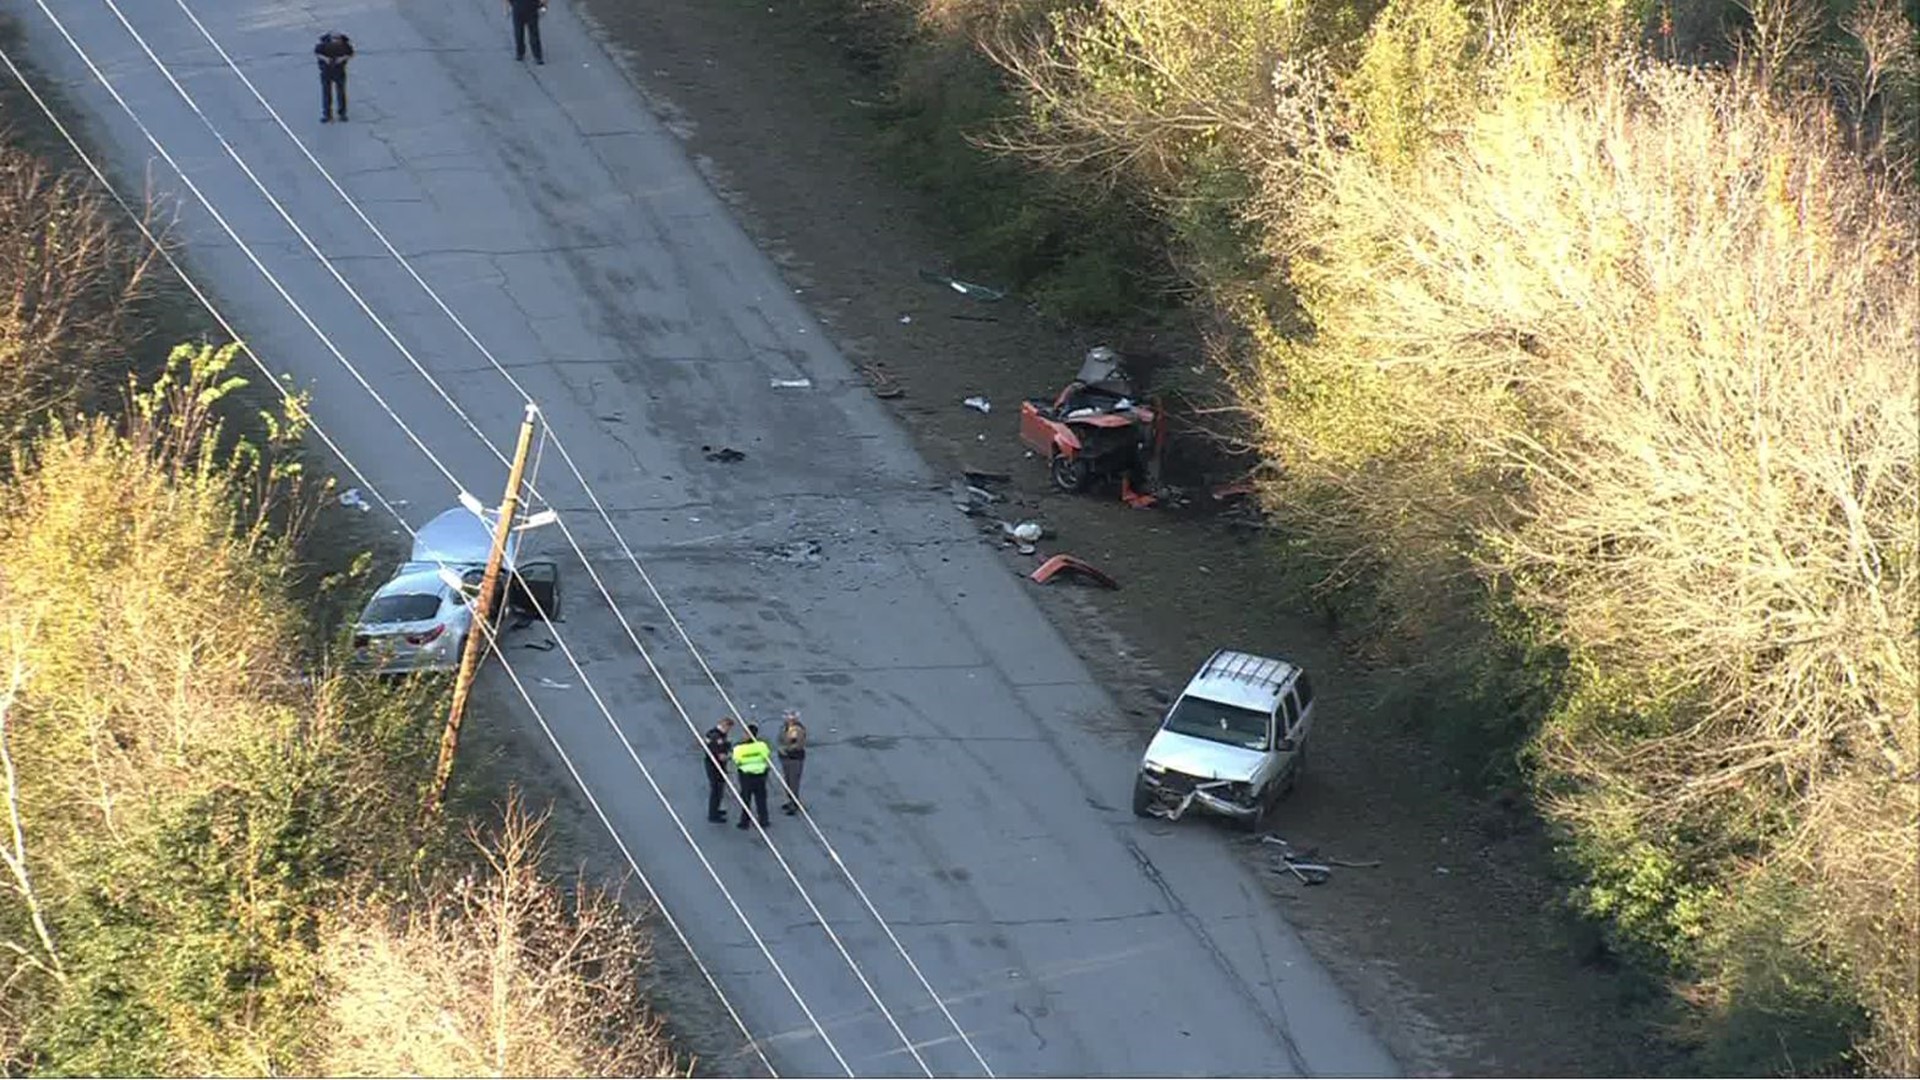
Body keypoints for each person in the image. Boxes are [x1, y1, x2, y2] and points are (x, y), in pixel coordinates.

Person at [732, 723, 772, 829]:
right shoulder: (762, 745)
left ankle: (745, 822)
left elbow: (737, 760)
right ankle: (764, 820)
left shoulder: (739, 748)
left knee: (746, 800)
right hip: (760, 775)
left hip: (746, 777)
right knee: (761, 799)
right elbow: (766, 755)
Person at [702, 717, 736, 823]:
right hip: (715, 766)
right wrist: (733, 756)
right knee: (716, 790)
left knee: (718, 790)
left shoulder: (712, 733)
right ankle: (713, 815)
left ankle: (715, 810)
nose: (729, 731)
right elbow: (721, 756)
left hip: (713, 764)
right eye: (729, 728)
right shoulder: (717, 738)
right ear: (725, 726)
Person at [314, 31, 353, 123]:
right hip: (326, 71)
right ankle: (327, 115)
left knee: (341, 93)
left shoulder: (345, 45)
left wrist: (342, 58)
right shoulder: (323, 45)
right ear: (330, 39)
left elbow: (350, 53)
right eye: (334, 39)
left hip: (339, 71)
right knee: (326, 93)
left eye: (338, 40)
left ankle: (342, 114)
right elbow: (317, 53)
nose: (336, 41)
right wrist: (325, 59)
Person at [776, 710, 807, 815]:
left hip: (795, 759)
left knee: (793, 782)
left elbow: (798, 745)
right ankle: (791, 800)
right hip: (786, 758)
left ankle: (794, 803)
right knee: (788, 781)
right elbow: (780, 739)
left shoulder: (798, 730)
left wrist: (786, 749)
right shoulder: (784, 727)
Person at [507, 0, 547, 65]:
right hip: (519, 8)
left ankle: (537, 55)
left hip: (531, 8)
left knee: (533, 33)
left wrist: (543, 7)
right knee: (519, 32)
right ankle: (520, 53)